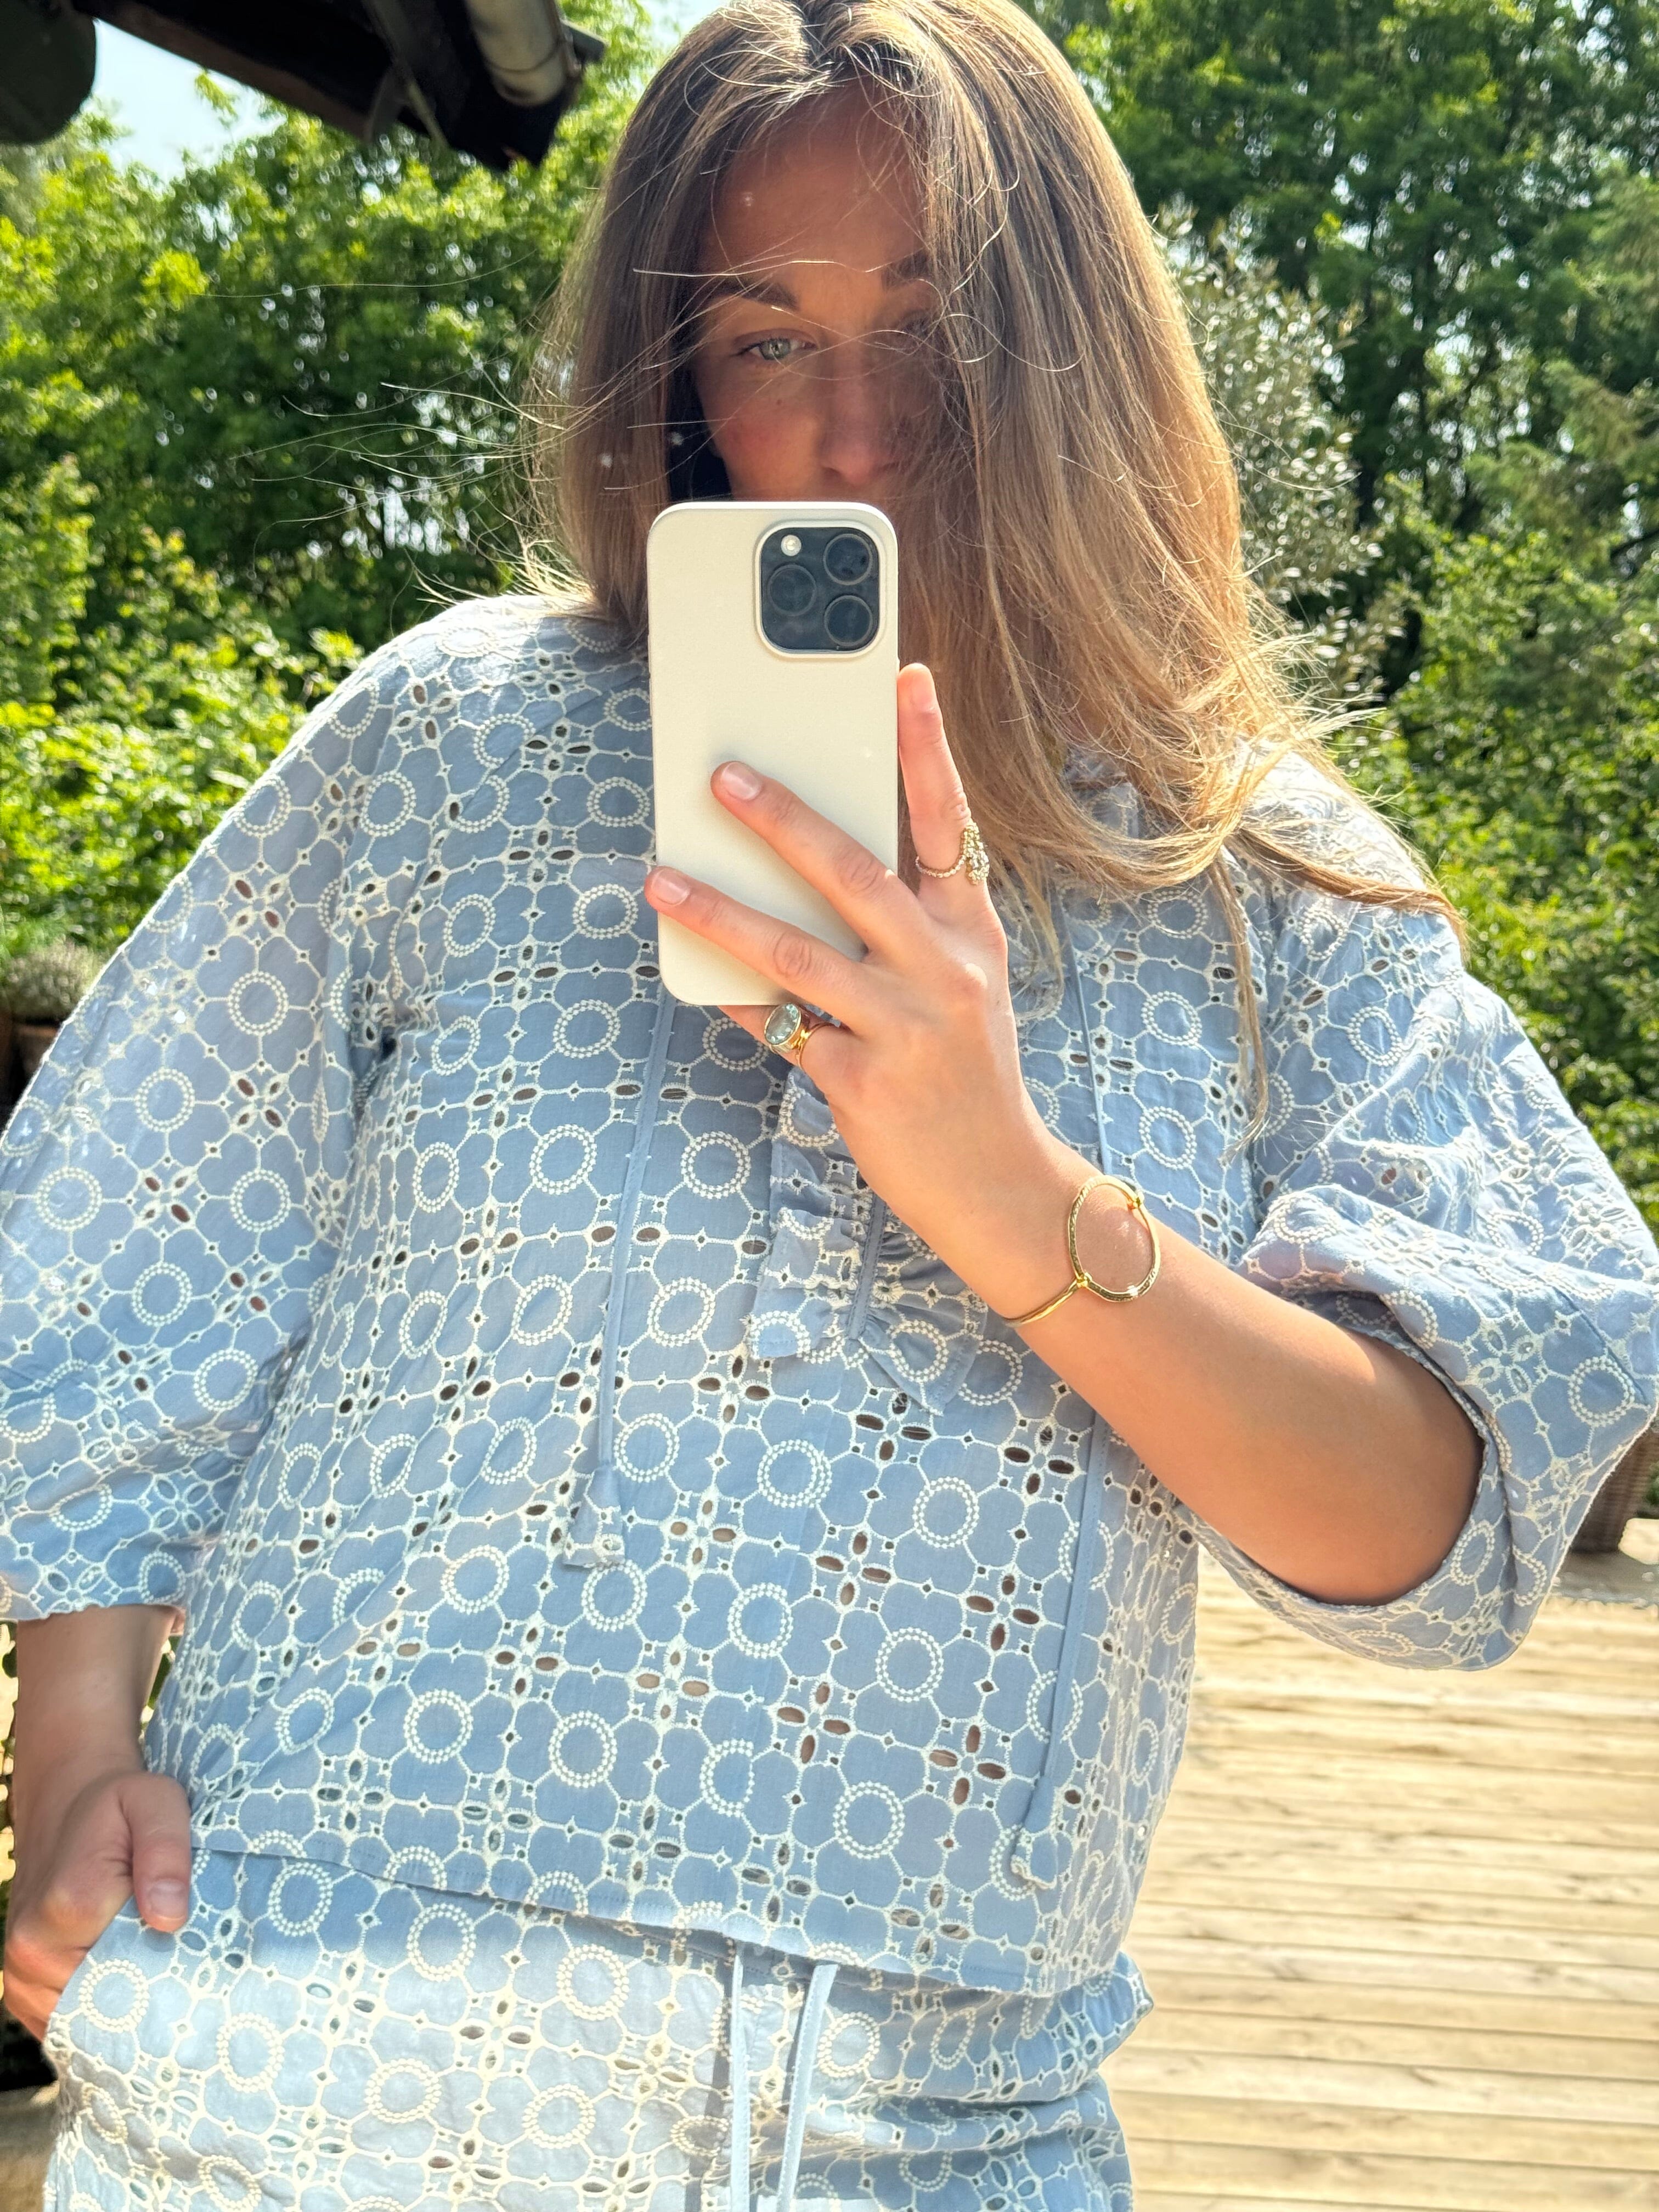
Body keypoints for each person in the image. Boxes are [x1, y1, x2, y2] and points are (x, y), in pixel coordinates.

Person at [2, 1, 1655, 2205]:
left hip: (925, 2137)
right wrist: (72, 1748)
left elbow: (1454, 1517)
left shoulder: (1254, 872)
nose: (854, 427)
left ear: (1076, 354)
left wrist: (1012, 1194)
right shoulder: (451, 740)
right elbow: (120, 1254)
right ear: (674, 376)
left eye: (938, 328)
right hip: (297, 2072)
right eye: (765, 335)